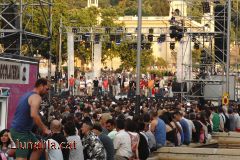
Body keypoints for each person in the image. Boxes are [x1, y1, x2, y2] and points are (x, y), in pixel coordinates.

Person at [10, 78, 51, 160]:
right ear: (41, 86)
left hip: (24, 131)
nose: (48, 91)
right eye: (47, 89)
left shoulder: (28, 94)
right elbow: (34, 115)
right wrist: (45, 129)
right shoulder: (36, 97)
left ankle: (6, 154)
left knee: (40, 147)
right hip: (21, 133)